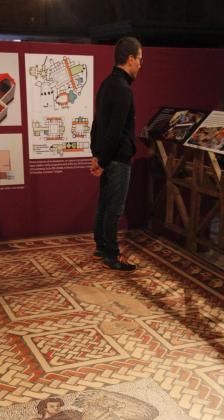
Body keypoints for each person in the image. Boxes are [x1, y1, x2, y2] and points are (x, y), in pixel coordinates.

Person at [90, 36, 143, 271]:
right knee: (115, 207)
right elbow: (113, 130)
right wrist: (102, 160)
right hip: (117, 158)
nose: (141, 65)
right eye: (140, 59)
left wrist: (96, 155)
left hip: (106, 156)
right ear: (130, 59)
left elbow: (97, 124)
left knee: (104, 204)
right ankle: (111, 254)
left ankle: (101, 246)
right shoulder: (123, 89)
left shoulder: (106, 84)